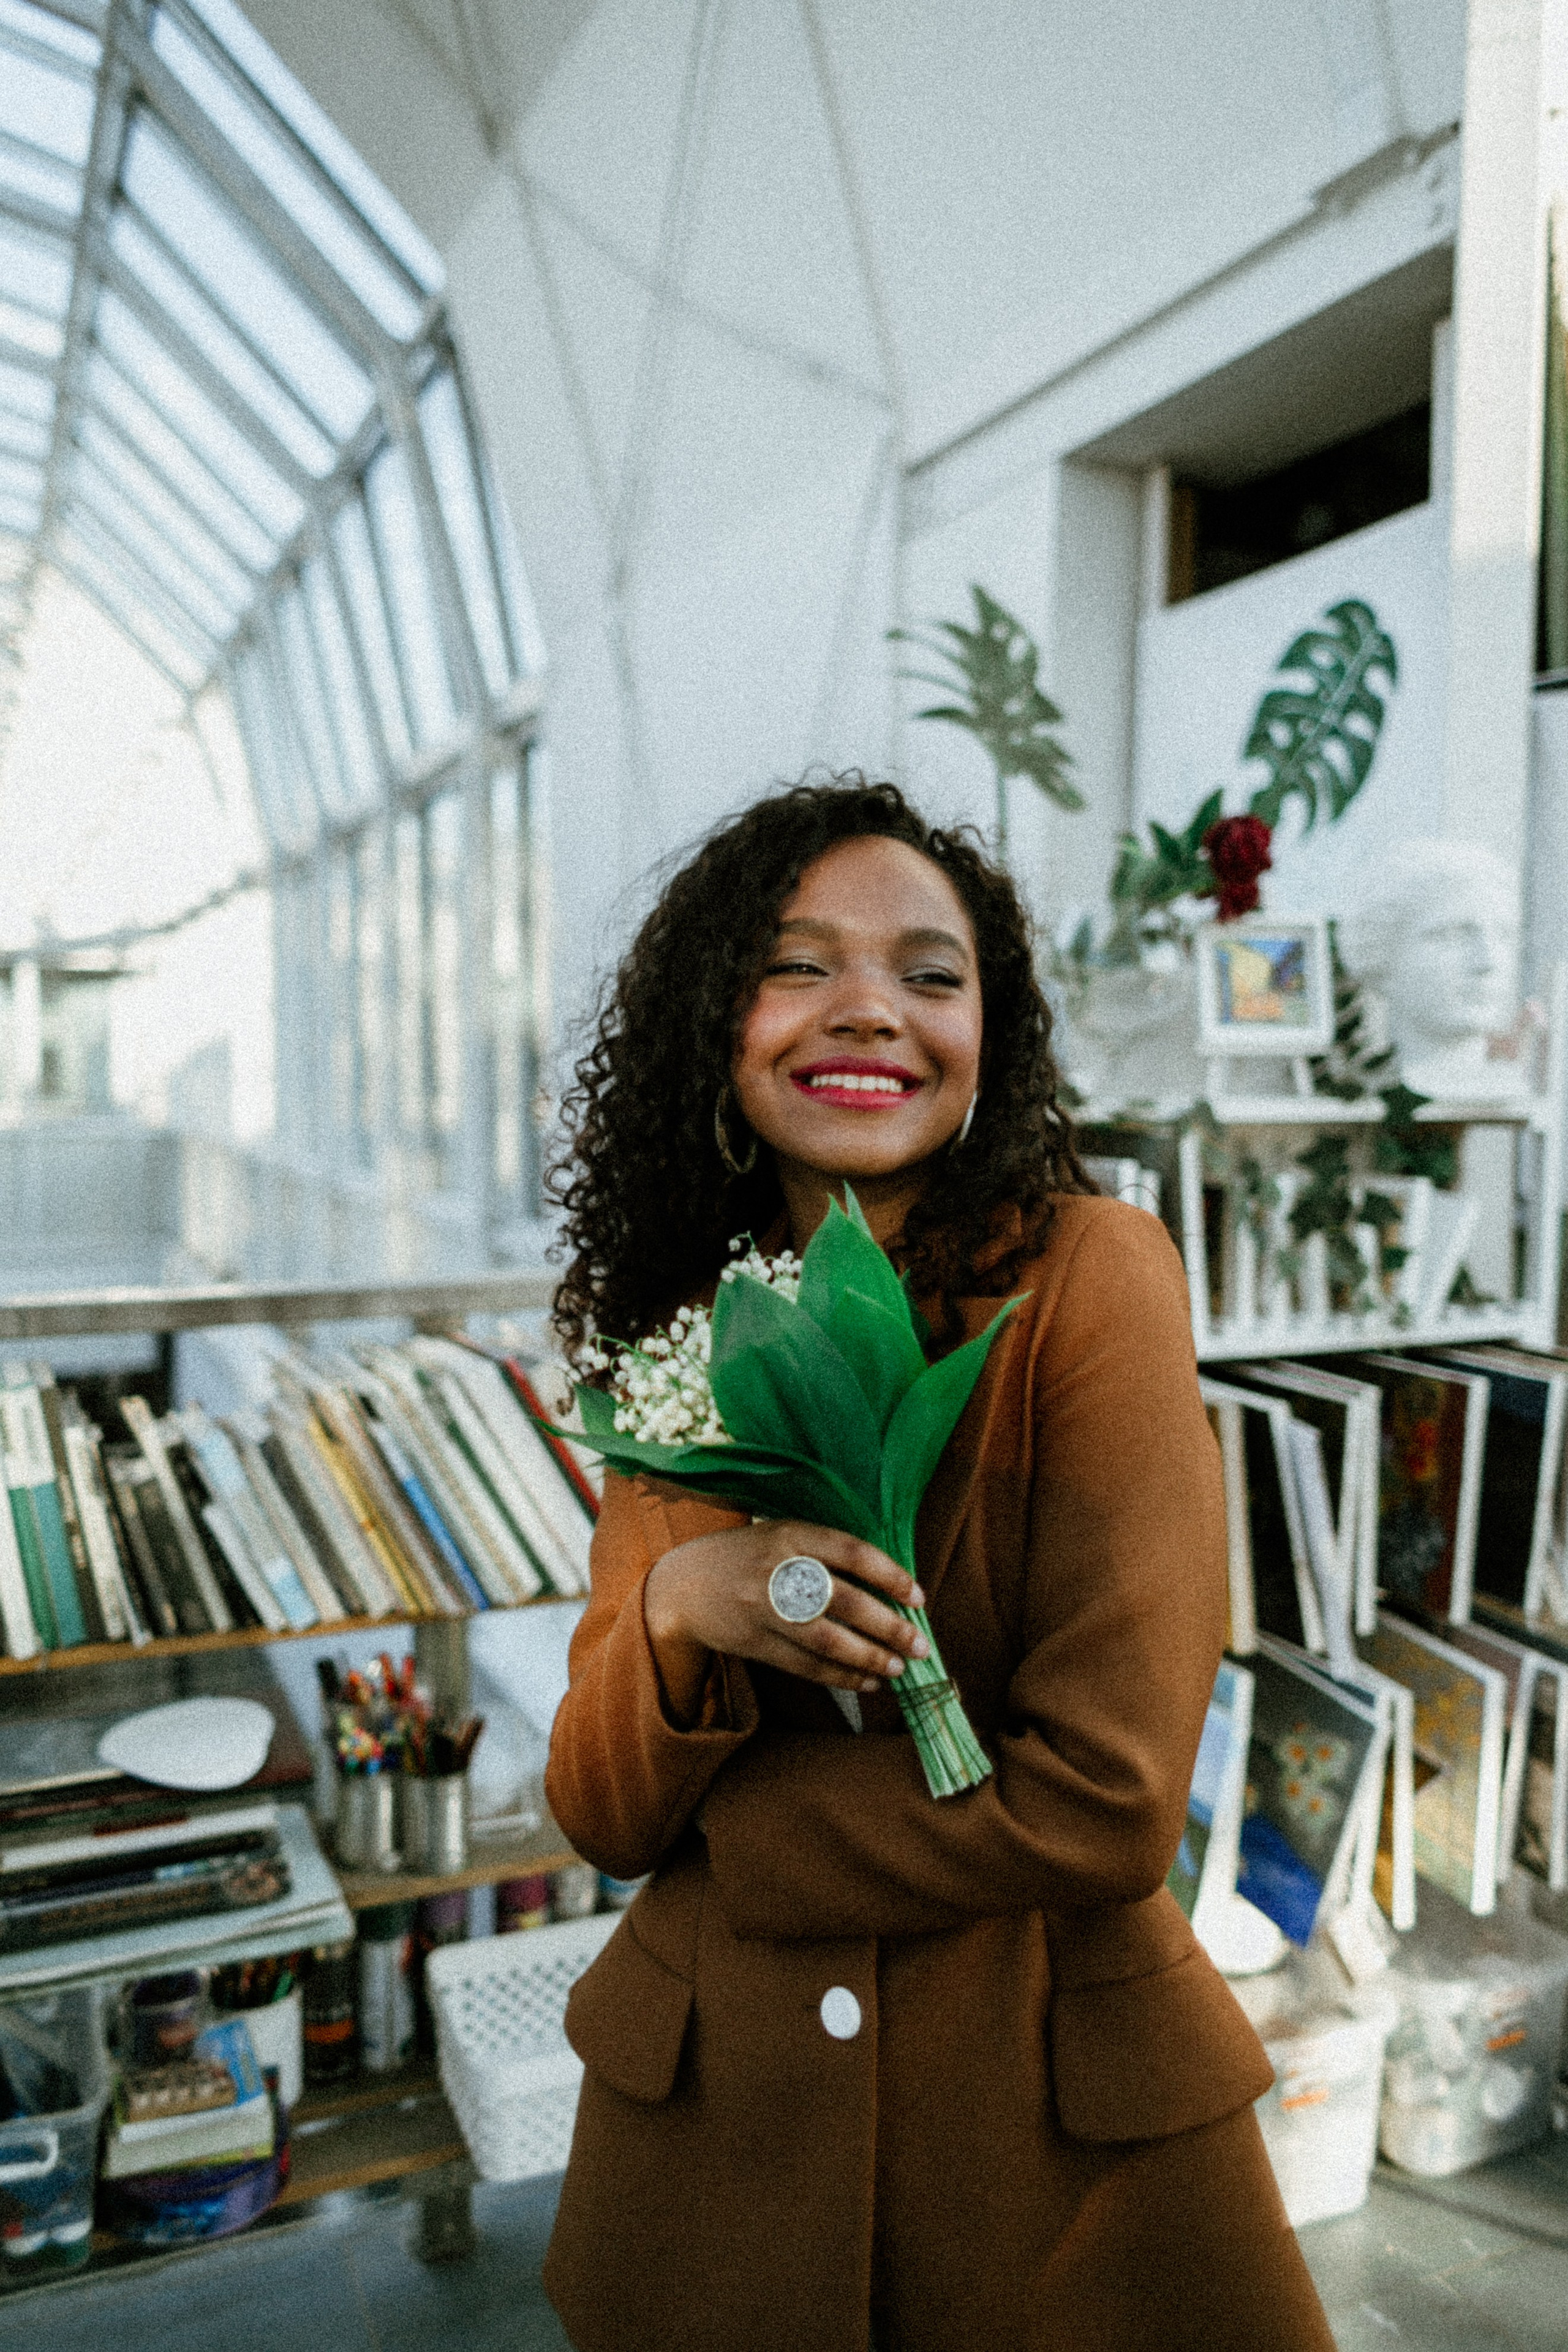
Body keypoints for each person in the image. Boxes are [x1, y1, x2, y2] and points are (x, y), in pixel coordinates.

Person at [541, 777, 1335, 2352]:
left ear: (990, 1038)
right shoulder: (674, 1332)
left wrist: (740, 1852)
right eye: (795, 965)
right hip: (719, 2159)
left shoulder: (1090, 1279)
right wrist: (683, 1604)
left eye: (927, 973)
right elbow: (604, 1808)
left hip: (1049, 2176)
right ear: (717, 1022)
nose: (866, 1012)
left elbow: (1107, 1801)